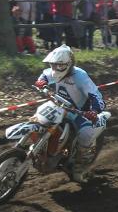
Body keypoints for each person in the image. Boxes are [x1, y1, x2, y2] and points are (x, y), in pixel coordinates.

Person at [34, 44, 106, 183]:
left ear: (68, 64)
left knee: (86, 134)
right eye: (53, 65)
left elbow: (95, 95)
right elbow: (45, 74)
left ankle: (79, 168)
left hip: (79, 112)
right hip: (59, 106)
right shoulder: (54, 71)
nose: (55, 69)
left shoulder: (80, 76)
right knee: (40, 117)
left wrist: (94, 111)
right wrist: (41, 81)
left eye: (59, 65)